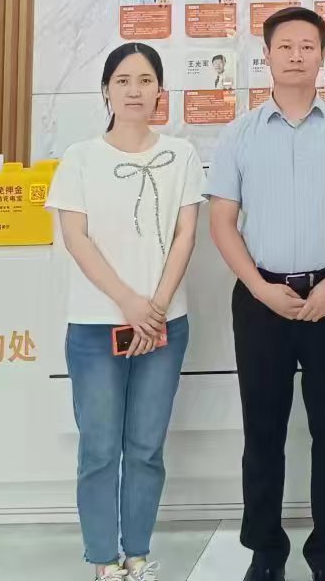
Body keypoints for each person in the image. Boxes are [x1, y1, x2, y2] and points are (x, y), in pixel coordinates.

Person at [208, 7, 325, 581]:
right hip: (261, 300)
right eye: (285, 46)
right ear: (267, 56)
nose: (296, 55)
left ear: (323, 56)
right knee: (263, 431)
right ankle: (266, 551)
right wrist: (260, 288)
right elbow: (222, 222)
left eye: (308, 46)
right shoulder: (239, 133)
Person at [49, 43, 206, 581]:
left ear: (160, 90)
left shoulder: (181, 155)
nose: (134, 90)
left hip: (164, 327)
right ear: (106, 91)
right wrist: (129, 302)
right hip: (96, 327)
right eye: (122, 80)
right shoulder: (80, 157)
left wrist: (155, 308)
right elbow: (77, 238)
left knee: (145, 447)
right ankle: (102, 560)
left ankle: (137, 555)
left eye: (144, 80)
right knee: (99, 448)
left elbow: (186, 234)